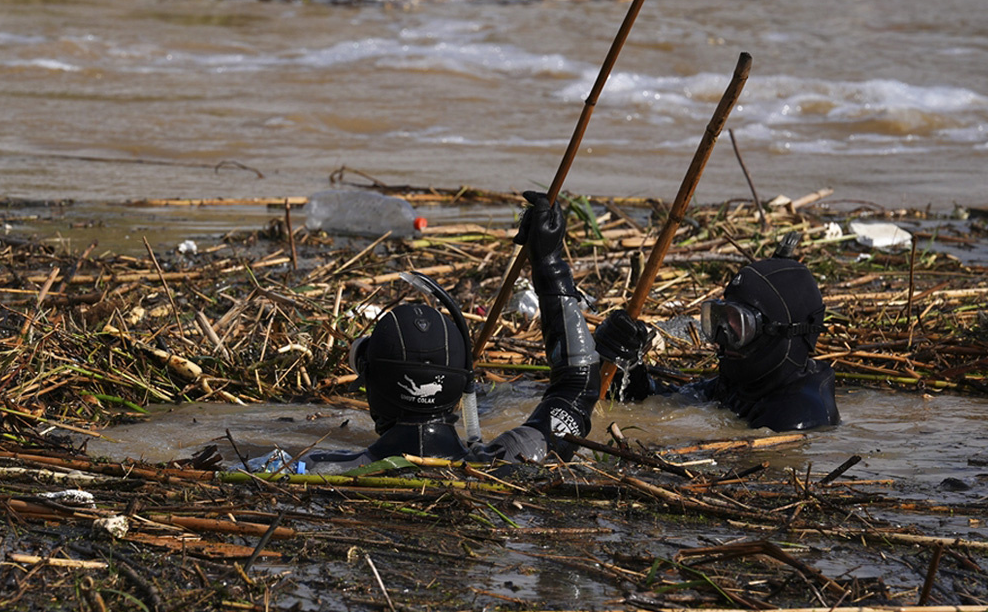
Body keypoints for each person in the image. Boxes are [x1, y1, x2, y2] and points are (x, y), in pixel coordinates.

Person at [300, 191, 602, 473]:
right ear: (463, 383)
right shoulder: (510, 463)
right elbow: (577, 389)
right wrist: (549, 264)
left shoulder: (320, 470)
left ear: (374, 387)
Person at [593, 234, 839, 432]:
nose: (723, 336)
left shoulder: (795, 417)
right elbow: (662, 400)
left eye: (740, 325)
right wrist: (624, 363)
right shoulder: (744, 384)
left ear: (787, 333)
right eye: (719, 318)